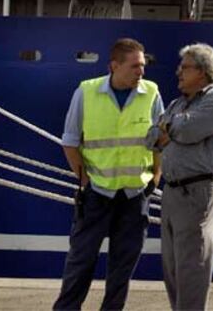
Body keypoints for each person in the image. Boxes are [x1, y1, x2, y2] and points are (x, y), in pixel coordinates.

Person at [53, 38, 164, 311]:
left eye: (143, 66)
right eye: (135, 66)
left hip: (134, 196)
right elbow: (70, 141)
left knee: (123, 267)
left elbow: (160, 139)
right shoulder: (86, 92)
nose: (141, 72)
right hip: (96, 195)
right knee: (81, 262)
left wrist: (157, 174)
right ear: (114, 66)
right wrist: (85, 182)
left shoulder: (151, 93)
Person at [146, 43, 213, 311]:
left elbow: (187, 131)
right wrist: (171, 128)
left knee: (192, 264)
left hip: (198, 190)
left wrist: (170, 128)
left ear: (203, 71)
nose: (178, 73)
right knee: (172, 266)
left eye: (184, 67)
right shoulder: (177, 104)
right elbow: (151, 138)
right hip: (173, 192)